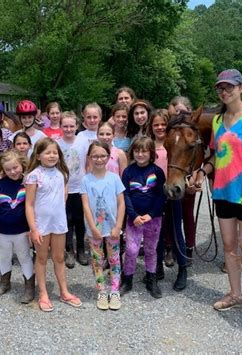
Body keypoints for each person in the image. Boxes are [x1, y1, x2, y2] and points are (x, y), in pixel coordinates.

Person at [191, 69, 242, 321]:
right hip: (223, 193)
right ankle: (235, 293)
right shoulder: (217, 120)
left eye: (229, 87)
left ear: (241, 88)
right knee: (229, 245)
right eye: (220, 88)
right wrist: (203, 171)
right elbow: (218, 155)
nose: (224, 91)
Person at [24, 137, 82, 312]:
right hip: (41, 225)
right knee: (41, 259)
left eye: (54, 152)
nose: (51, 156)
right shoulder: (33, 175)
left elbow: (63, 198)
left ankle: (64, 292)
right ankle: (43, 293)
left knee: (59, 257)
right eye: (47, 152)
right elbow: (29, 204)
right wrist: (33, 228)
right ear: (38, 155)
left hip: (58, 224)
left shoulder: (62, 174)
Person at [81, 141, 125, 310]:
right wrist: (92, 228)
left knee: (114, 260)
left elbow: (121, 203)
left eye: (102, 156)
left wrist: (118, 225)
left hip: (113, 227)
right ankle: (101, 291)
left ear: (108, 157)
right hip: (95, 230)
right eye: (95, 156)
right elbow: (85, 206)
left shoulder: (114, 178)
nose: (99, 159)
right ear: (89, 158)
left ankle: (114, 291)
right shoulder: (86, 180)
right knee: (97, 260)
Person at [120, 137, 166, 298]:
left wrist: (151, 214)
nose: (140, 154)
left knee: (150, 249)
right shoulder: (128, 172)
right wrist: (133, 215)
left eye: (144, 151)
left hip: (153, 219)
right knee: (131, 250)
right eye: (137, 151)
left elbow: (161, 196)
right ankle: (127, 279)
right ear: (132, 152)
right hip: (134, 219)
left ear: (151, 153)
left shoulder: (158, 172)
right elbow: (125, 195)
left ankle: (151, 279)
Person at [148, 109, 188, 290]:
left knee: (176, 231)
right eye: (156, 124)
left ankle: (182, 269)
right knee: (157, 233)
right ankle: (156, 268)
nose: (159, 127)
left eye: (163, 124)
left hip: (172, 192)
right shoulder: (148, 146)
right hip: (154, 194)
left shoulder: (173, 143)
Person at [0, 149, 35, 303]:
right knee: (4, 257)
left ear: (22, 165)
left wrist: (32, 228)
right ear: (3, 170)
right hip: (2, 231)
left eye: (15, 167)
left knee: (25, 258)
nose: (12, 171)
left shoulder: (29, 183)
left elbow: (34, 206)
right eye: (8, 169)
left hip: (22, 231)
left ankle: (29, 287)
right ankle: (4, 283)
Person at [57, 111, 89, 268]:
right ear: (61, 126)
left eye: (71, 126)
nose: (68, 129)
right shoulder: (57, 143)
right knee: (67, 220)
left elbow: (87, 163)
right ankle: (69, 249)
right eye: (65, 126)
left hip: (80, 187)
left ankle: (81, 249)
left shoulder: (83, 142)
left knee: (79, 220)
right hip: (64, 188)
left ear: (77, 126)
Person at [167, 96, 197, 267]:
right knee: (170, 215)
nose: (179, 114)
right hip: (172, 174)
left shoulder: (194, 128)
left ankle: (189, 247)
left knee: (187, 213)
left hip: (187, 175)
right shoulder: (171, 128)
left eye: (183, 110)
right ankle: (170, 247)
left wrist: (198, 175)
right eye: (176, 111)